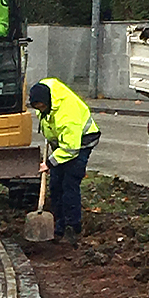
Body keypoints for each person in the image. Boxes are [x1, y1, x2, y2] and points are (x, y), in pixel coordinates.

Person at [29, 78, 100, 248]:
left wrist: (49, 163)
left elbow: (71, 149)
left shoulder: (67, 115)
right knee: (55, 185)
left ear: (48, 102)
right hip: (63, 144)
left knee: (69, 183)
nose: (40, 110)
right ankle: (58, 226)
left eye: (42, 107)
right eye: (37, 107)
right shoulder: (45, 95)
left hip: (81, 143)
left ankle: (73, 227)